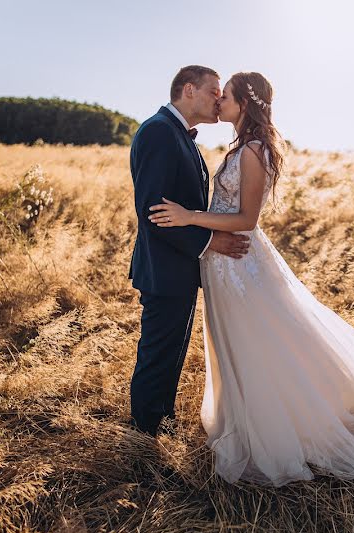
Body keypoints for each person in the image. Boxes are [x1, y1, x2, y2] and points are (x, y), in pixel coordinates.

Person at [149, 72, 354, 487]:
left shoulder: (254, 149)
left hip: (239, 263)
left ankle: (276, 430)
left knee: (258, 341)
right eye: (216, 95)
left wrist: (189, 218)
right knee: (238, 342)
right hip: (221, 263)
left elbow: (247, 219)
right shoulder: (240, 146)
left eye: (227, 97)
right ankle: (245, 420)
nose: (219, 102)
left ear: (245, 104)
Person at [128, 65, 250, 437]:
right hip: (164, 268)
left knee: (170, 354)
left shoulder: (182, 137)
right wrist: (211, 242)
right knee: (158, 355)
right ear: (189, 89)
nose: (219, 98)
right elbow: (154, 212)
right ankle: (145, 438)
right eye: (214, 90)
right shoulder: (159, 132)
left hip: (179, 268)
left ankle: (161, 424)